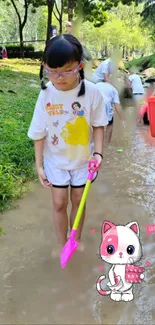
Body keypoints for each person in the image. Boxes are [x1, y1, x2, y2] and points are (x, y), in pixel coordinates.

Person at [28, 34, 108, 255]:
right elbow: (39, 133)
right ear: (45, 67)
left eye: (66, 71)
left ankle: (76, 241)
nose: (58, 77)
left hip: (84, 161)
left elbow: (99, 125)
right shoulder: (46, 94)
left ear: (79, 66)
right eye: (52, 71)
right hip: (55, 160)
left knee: (78, 200)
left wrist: (98, 154)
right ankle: (61, 244)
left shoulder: (92, 92)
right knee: (59, 202)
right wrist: (39, 166)